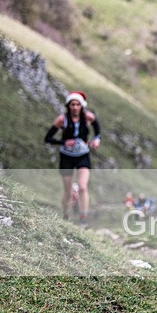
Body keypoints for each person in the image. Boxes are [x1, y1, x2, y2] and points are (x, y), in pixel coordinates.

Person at [44, 91, 101, 227]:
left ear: (82, 106)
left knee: (82, 187)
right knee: (68, 191)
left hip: (83, 156)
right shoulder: (62, 119)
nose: (75, 107)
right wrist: (64, 142)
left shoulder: (88, 117)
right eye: (72, 104)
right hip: (66, 157)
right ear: (68, 106)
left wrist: (96, 140)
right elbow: (48, 138)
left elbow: (97, 131)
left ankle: (83, 219)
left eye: (77, 104)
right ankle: (66, 216)